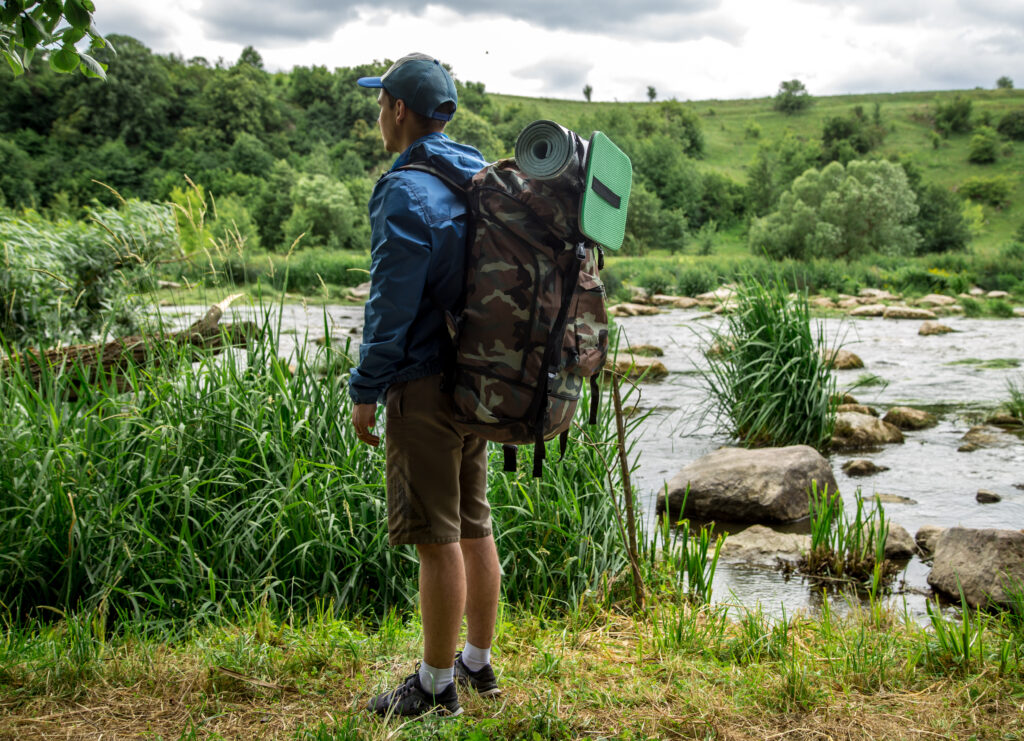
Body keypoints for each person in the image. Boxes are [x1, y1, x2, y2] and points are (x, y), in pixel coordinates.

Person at [349, 53, 502, 718]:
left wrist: (365, 388)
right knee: (473, 523)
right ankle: (476, 662)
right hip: (477, 379)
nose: (377, 116)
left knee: (435, 537)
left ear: (399, 110)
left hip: (423, 382)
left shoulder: (404, 189)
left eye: (380, 103)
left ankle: (436, 688)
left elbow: (391, 306)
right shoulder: (475, 174)